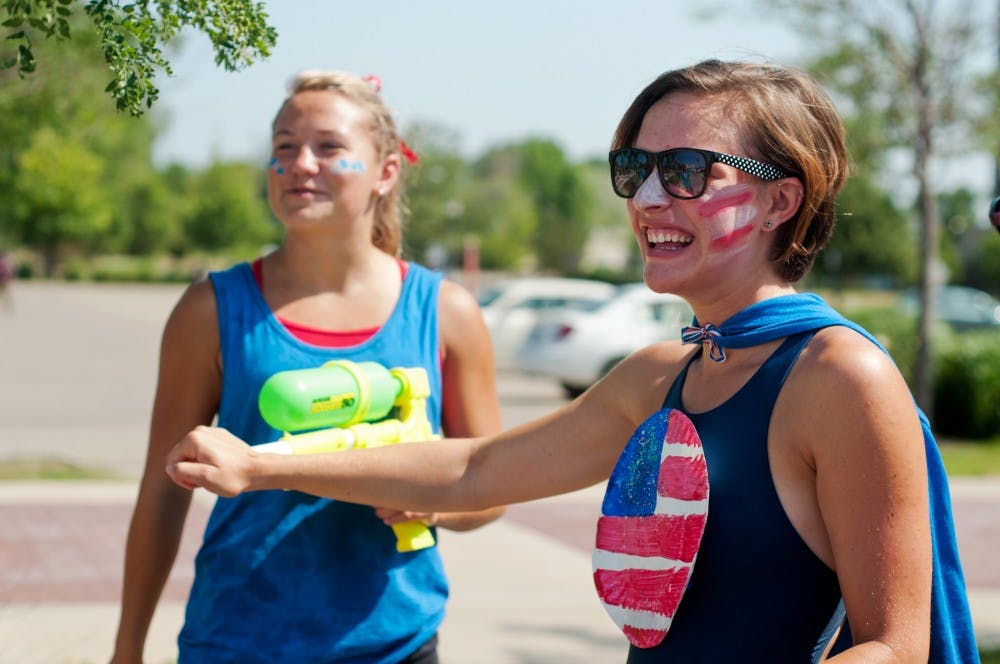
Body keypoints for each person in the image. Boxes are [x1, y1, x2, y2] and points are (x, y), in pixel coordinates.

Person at [165, 60, 977, 662]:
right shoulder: (660, 376)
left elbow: (894, 648)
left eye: (688, 171)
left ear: (779, 199)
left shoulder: (838, 377)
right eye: (636, 170)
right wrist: (262, 466)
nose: (648, 199)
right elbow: (473, 470)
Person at [111, 70, 504, 664]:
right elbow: (162, 494)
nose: (301, 164)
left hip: (397, 646)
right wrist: (127, 647)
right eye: (284, 147)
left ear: (386, 171)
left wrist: (435, 507)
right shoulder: (210, 310)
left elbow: (493, 482)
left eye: (329, 147)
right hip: (235, 642)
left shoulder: (446, 312)